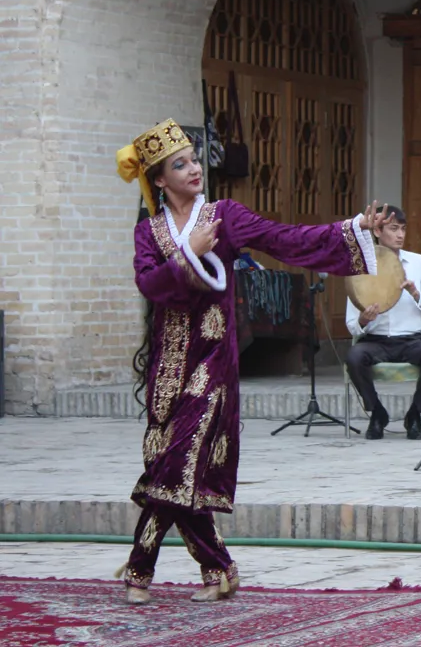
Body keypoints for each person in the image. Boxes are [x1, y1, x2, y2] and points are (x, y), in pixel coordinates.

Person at [116, 120, 386, 605]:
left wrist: (353, 229)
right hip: (167, 365)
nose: (195, 168)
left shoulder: (224, 216)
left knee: (177, 459)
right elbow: (151, 288)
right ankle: (212, 568)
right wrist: (188, 256)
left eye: (195, 160)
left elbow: (287, 240)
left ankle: (144, 568)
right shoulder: (148, 232)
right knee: (168, 464)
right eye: (181, 164)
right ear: (158, 180)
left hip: (211, 360)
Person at [344, 205, 421, 440]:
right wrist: (362, 319)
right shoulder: (361, 266)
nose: (400, 235)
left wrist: (417, 295)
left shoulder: (420, 263)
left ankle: (415, 414)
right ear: (378, 231)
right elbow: (352, 324)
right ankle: (377, 413)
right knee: (354, 357)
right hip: (375, 340)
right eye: (393, 229)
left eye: (403, 229)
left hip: (411, 340)